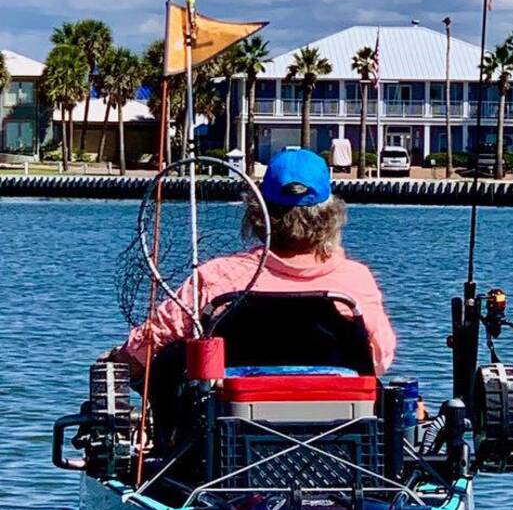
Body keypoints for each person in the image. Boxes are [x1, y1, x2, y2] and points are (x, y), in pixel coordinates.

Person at [111, 148, 396, 376]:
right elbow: (379, 359)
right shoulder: (354, 281)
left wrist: (117, 359)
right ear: (331, 216)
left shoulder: (219, 278)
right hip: (337, 433)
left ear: (257, 213)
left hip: (230, 434)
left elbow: (146, 346)